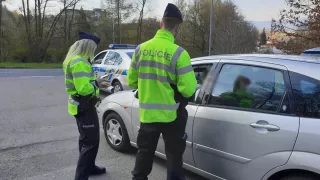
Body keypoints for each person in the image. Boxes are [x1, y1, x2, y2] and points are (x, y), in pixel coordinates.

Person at [127, 3, 197, 180]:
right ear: (178, 28)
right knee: (174, 158)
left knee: (144, 155)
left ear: (161, 23)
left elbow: (132, 81)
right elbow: (188, 89)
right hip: (172, 117)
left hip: (148, 116)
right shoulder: (179, 53)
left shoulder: (140, 49)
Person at [62, 31, 106, 180]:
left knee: (85, 139)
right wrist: (97, 84)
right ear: (88, 46)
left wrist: (94, 83)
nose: (94, 51)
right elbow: (84, 89)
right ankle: (81, 176)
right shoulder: (79, 62)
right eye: (93, 48)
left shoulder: (74, 60)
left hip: (79, 105)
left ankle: (90, 167)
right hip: (85, 105)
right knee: (91, 142)